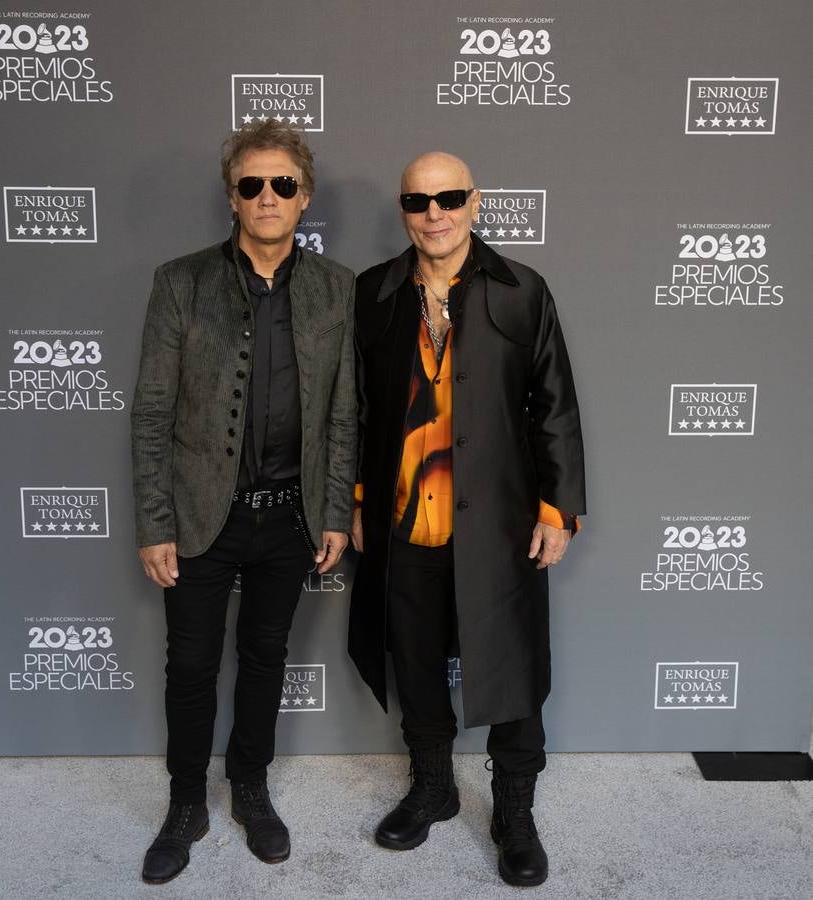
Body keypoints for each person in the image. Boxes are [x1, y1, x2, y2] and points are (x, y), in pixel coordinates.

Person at [349, 151, 585, 887]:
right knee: (414, 662)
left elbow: (556, 406)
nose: (436, 213)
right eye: (420, 202)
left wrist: (557, 509)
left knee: (513, 667)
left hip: (499, 525)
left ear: (475, 202)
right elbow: (352, 409)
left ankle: (514, 810)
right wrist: (354, 501)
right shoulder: (375, 294)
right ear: (404, 211)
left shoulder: (521, 291)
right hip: (405, 521)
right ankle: (433, 786)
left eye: (450, 197)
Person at [131, 120, 356, 883]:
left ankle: (251, 788)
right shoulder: (180, 282)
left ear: (305, 198)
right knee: (190, 666)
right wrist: (154, 521)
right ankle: (186, 802)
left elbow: (342, 412)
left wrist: (332, 510)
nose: (268, 197)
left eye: (282, 185)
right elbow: (152, 414)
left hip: (290, 514)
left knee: (265, 657)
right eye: (252, 184)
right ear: (232, 198)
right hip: (200, 512)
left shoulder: (337, 289)